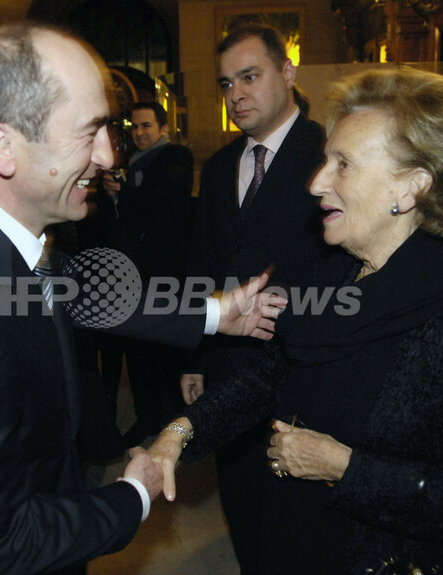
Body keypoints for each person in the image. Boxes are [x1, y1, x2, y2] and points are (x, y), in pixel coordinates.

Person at [0, 22, 279, 575]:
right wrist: (134, 495)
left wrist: (216, 312)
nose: (107, 155)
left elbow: (81, 290)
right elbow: (0, 540)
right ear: (1, 146)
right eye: (88, 132)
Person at [151, 68, 443, 574]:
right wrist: (181, 432)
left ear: (413, 186)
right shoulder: (334, 273)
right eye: (326, 160)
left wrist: (343, 467)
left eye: (343, 164)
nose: (317, 182)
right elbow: (270, 377)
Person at [180, 24, 326, 571]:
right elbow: (203, 263)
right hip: (227, 367)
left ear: (287, 73)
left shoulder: (329, 154)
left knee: (298, 523)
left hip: (304, 369)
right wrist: (196, 353)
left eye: (249, 77)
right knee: (242, 508)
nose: (236, 94)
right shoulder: (220, 167)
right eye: (226, 83)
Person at [102, 101, 195, 446]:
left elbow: (157, 197)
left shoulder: (176, 156)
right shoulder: (129, 164)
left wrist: (123, 192)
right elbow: (121, 219)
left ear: (163, 128)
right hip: (134, 273)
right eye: (135, 127)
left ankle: (173, 424)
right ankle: (147, 418)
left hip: (165, 273)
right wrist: (113, 195)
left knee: (166, 351)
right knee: (138, 351)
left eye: (146, 126)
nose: (139, 133)